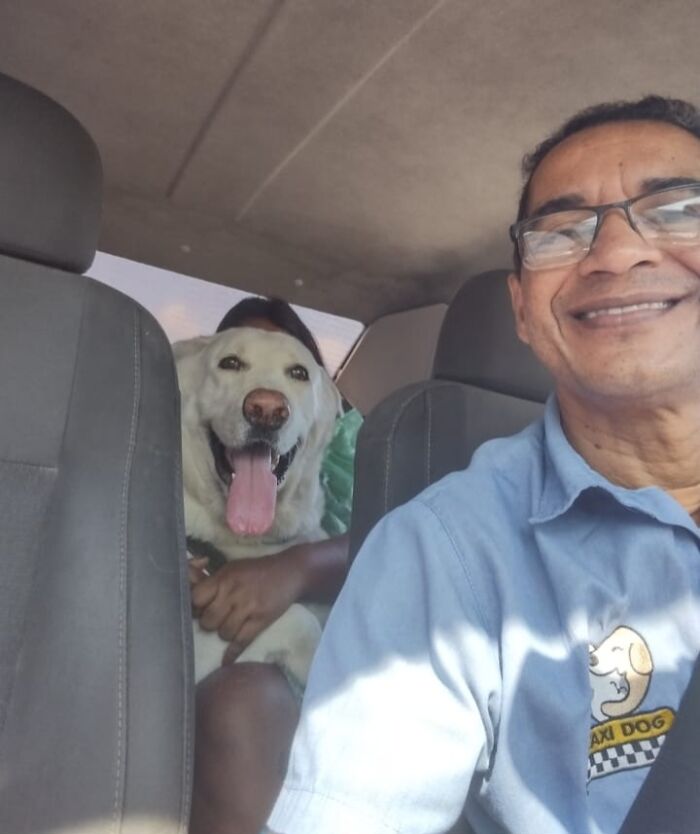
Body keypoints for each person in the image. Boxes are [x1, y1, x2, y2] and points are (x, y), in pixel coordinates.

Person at [266, 95, 700, 834]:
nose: (618, 252)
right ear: (524, 311)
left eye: (678, 209)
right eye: (562, 232)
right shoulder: (445, 552)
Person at [188, 296, 361, 834]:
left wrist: (298, 566)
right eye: (234, 363)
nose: (264, 398)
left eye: (292, 371)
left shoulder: (353, 445)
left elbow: (394, 537)